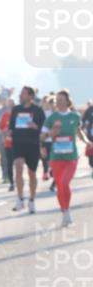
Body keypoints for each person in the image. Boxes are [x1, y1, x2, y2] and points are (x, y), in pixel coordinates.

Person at [43, 89, 91, 227]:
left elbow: (79, 131)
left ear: (67, 101)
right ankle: (64, 212)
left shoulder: (75, 116)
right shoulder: (51, 118)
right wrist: (52, 133)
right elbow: (42, 136)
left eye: (61, 100)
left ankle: (67, 210)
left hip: (71, 157)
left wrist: (87, 141)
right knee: (59, 186)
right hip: (56, 157)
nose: (58, 102)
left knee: (64, 183)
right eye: (57, 100)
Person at [9, 86, 46, 213]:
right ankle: (20, 199)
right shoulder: (16, 109)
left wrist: (35, 126)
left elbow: (44, 129)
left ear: (31, 96)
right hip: (18, 144)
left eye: (23, 94)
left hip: (33, 145)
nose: (20, 96)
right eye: (20, 94)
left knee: (32, 174)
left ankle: (32, 200)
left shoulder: (38, 110)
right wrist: (8, 133)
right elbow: (11, 126)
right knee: (18, 169)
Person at [0, 98, 16, 190]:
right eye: (9, 104)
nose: (10, 106)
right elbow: (1, 128)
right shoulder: (5, 116)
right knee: (9, 163)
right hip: (8, 143)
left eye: (12, 104)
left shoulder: (18, 115)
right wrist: (4, 131)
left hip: (17, 143)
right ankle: (11, 182)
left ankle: (18, 179)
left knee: (17, 163)